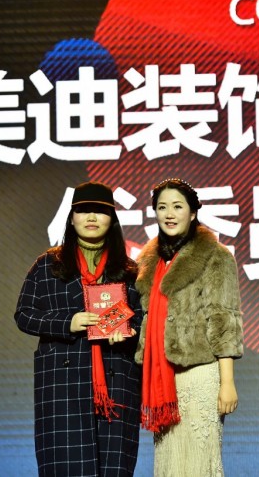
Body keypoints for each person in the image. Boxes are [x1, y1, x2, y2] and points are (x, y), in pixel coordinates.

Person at [15, 181, 143, 477]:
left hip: (116, 380)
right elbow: (24, 315)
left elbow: (142, 318)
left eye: (100, 211)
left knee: (115, 467)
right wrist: (68, 323)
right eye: (84, 210)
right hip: (62, 383)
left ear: (112, 219)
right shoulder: (48, 264)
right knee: (65, 466)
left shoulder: (129, 269)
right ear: (72, 218)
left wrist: (129, 332)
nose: (92, 217)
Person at [135, 178, 244, 477]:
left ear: (193, 212)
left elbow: (224, 320)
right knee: (170, 460)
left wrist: (227, 382)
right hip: (161, 375)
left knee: (198, 459)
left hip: (200, 373)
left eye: (177, 207)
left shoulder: (216, 256)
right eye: (162, 207)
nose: (169, 214)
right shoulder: (146, 262)